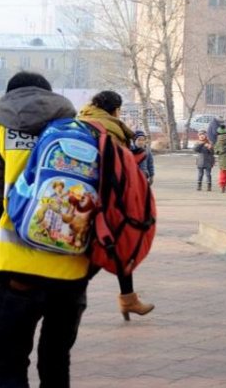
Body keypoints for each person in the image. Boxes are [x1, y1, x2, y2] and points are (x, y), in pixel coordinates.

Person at [0, 71, 86, 388]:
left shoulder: (0, 133)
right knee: (56, 364)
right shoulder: (79, 133)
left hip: (17, 270)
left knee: (10, 367)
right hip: (69, 270)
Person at [78, 91, 155, 321]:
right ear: (115, 110)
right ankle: (69, 297)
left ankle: (128, 299)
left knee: (118, 245)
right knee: (112, 244)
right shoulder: (110, 128)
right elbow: (116, 165)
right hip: (106, 195)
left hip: (81, 193)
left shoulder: (82, 119)